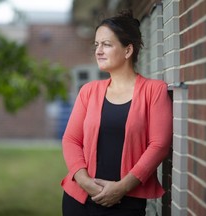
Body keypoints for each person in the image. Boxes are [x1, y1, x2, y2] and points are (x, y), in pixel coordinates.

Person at [61, 9, 173, 216]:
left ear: (128, 50)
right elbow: (70, 139)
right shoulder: (88, 91)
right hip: (79, 199)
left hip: (126, 202)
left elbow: (159, 145)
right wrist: (86, 183)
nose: (98, 51)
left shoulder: (154, 91)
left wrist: (121, 187)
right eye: (96, 45)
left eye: (106, 44)